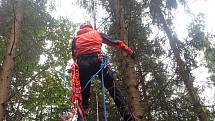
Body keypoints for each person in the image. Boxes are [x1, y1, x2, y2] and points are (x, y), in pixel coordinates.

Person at [70, 21, 135, 121]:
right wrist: (129, 51)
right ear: (90, 27)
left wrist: (74, 69)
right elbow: (116, 43)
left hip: (82, 64)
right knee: (113, 90)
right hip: (98, 61)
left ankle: (81, 118)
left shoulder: (76, 39)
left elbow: (74, 56)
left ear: (81, 28)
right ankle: (128, 117)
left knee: (83, 96)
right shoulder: (97, 33)